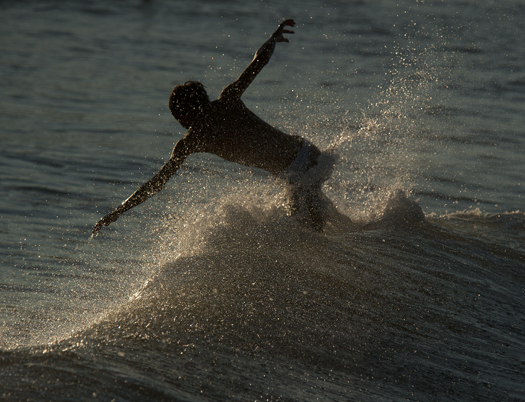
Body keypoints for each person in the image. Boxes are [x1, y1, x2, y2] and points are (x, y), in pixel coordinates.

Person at [92, 19, 342, 236]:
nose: (179, 123)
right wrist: (273, 38)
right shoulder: (227, 101)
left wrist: (118, 211)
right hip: (306, 154)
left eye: (177, 116)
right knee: (313, 222)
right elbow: (259, 60)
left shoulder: (194, 138)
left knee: (309, 234)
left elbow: (157, 183)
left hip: (297, 170)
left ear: (185, 114)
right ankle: (361, 235)